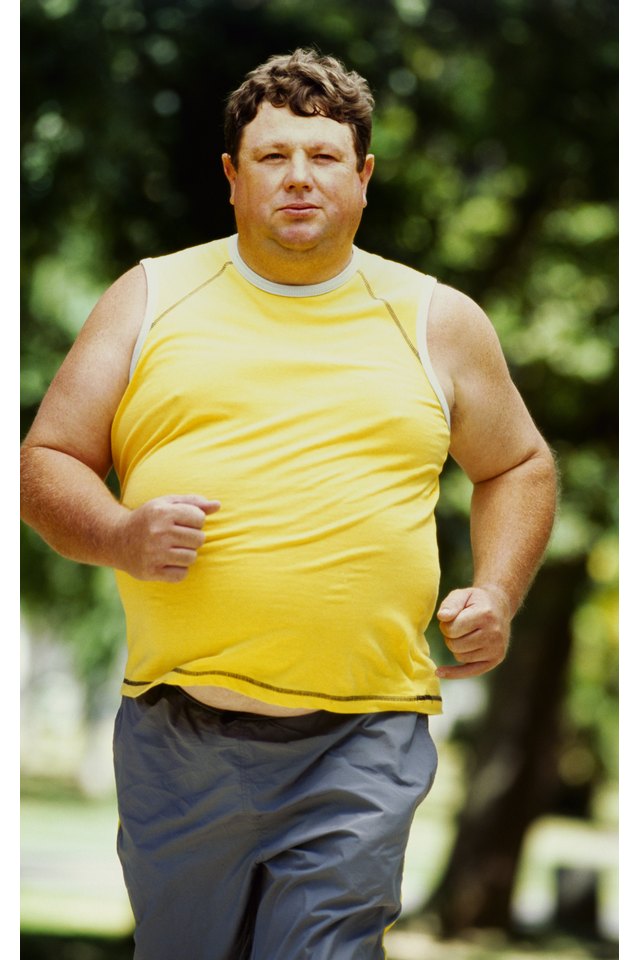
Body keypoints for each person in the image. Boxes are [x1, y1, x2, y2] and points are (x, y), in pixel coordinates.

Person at [20, 48, 557, 960]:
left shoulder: (436, 318)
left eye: (324, 155)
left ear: (364, 175)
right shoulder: (151, 296)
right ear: (232, 177)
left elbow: (521, 466)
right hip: (179, 733)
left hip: (365, 739)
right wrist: (118, 532)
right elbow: (48, 460)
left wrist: (498, 592)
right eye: (272, 157)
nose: (299, 178)